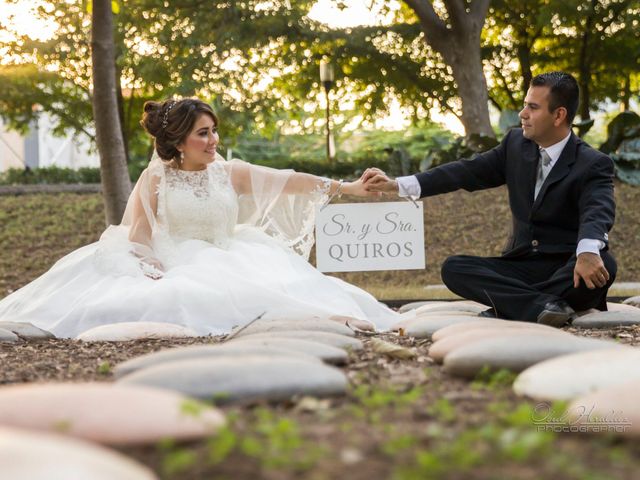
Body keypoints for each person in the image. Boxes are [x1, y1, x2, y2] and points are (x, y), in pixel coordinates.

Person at [0, 98, 400, 337]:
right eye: (203, 134)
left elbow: (289, 180)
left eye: (214, 131)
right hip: (177, 256)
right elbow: (138, 230)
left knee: (291, 286)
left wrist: (348, 188)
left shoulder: (228, 171)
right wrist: (148, 260)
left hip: (231, 250)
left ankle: (319, 323)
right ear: (177, 142)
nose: (214, 141)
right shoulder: (155, 177)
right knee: (180, 295)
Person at [363, 72, 616, 327]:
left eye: (533, 107)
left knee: (603, 264)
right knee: (454, 268)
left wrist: (586, 252)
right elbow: (465, 171)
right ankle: (540, 306)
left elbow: (598, 209)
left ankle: (514, 305)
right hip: (520, 268)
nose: (522, 114)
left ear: (559, 115)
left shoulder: (593, 163)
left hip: (566, 268)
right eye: (525, 104)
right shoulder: (515, 145)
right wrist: (398, 185)